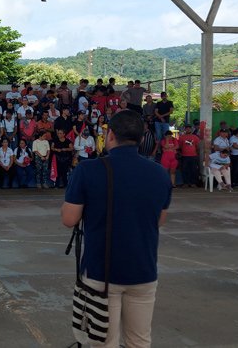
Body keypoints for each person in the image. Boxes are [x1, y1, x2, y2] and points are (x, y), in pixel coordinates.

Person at [61, 110, 170, 348]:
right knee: (139, 341)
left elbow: (69, 219)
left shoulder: (88, 170)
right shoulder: (160, 174)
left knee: (103, 341)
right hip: (143, 270)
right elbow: (159, 220)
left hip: (102, 271)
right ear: (141, 139)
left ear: (110, 135)